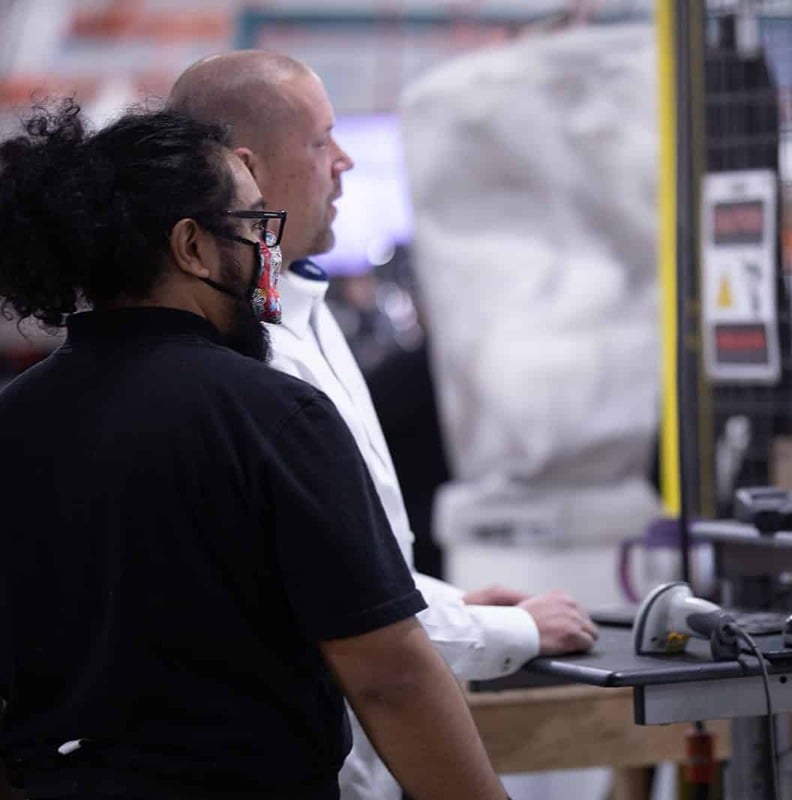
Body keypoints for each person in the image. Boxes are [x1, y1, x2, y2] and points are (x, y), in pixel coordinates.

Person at [0, 102, 507, 800]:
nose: (269, 250)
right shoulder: (272, 415)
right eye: (252, 225)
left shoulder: (15, 418)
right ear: (192, 246)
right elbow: (389, 676)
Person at [168, 51, 599, 799]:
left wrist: (456, 606)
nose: (345, 161)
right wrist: (517, 633)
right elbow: (341, 618)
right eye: (320, 141)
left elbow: (351, 564)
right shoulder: (249, 366)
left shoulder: (304, 313)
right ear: (249, 170)